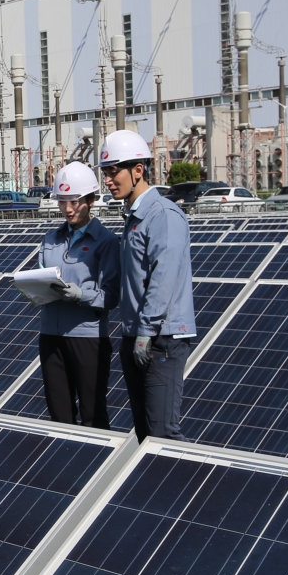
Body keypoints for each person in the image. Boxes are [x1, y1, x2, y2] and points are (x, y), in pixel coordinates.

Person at [98, 130, 196, 442]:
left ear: (138, 170)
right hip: (136, 336)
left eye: (114, 172)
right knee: (144, 432)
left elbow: (162, 277)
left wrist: (147, 331)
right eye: (105, 174)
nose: (109, 181)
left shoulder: (163, 215)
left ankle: (185, 488)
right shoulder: (134, 216)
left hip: (161, 340)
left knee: (163, 434)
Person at [36, 161, 120, 429]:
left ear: (91, 200)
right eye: (62, 202)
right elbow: (42, 277)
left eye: (74, 202)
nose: (68, 209)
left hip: (87, 337)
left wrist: (81, 294)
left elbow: (112, 295)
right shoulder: (50, 239)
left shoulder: (105, 241)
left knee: (93, 413)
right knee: (59, 415)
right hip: (50, 334)